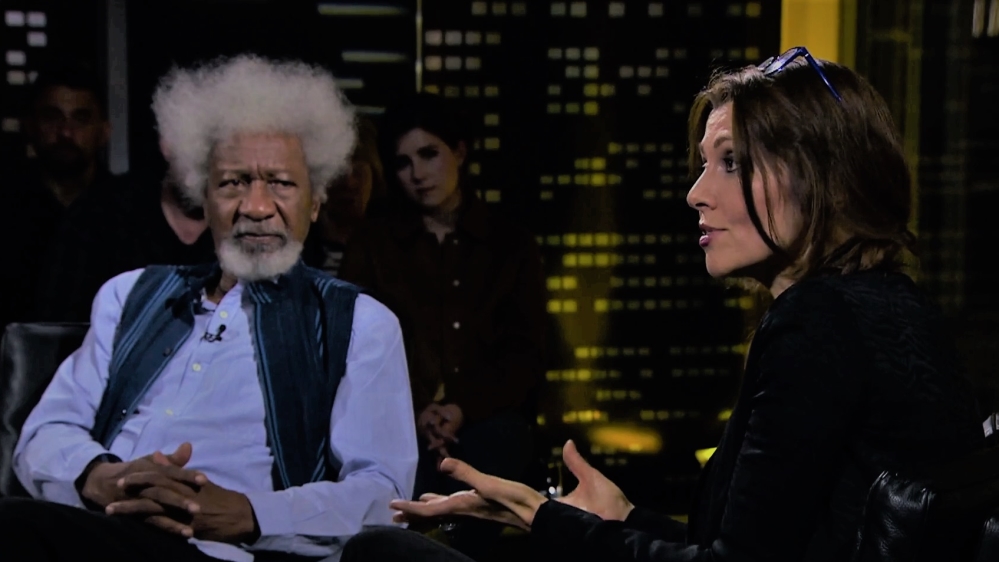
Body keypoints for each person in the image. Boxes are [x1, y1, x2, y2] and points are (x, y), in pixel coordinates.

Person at [339, 48, 986, 562]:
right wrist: (620, 517)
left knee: (380, 552)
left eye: (730, 163)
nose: (695, 193)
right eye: (702, 163)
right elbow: (756, 546)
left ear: (818, 173)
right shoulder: (900, 307)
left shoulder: (817, 322)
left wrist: (544, 518)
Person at [1, 54, 418, 562]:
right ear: (204, 197)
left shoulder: (360, 323)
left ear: (314, 202)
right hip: (100, 531)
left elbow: (383, 495)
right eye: (233, 182)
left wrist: (252, 514)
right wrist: (104, 477)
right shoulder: (128, 294)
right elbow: (45, 432)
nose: (256, 207)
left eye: (281, 183)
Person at [338, 93, 546, 557]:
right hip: (397, 424)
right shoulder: (373, 244)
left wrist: (461, 407)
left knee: (499, 446)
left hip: (487, 425)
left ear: (460, 151)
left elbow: (525, 355)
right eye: (403, 162)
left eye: (429, 154)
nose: (417, 173)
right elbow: (350, 348)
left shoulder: (509, 243)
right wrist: (416, 411)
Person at [31, 136, 216, 323]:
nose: (206, 171)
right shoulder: (97, 216)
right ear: (167, 145)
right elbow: (58, 326)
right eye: (197, 152)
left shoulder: (234, 233)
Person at [0, 60, 124, 329]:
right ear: (29, 125)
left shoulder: (129, 213)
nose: (66, 132)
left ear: (104, 131)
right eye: (52, 117)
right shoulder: (7, 209)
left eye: (80, 119)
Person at [304, 116, 385, 276]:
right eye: (337, 170)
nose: (349, 183)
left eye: (358, 172)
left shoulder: (393, 252)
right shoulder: (293, 251)